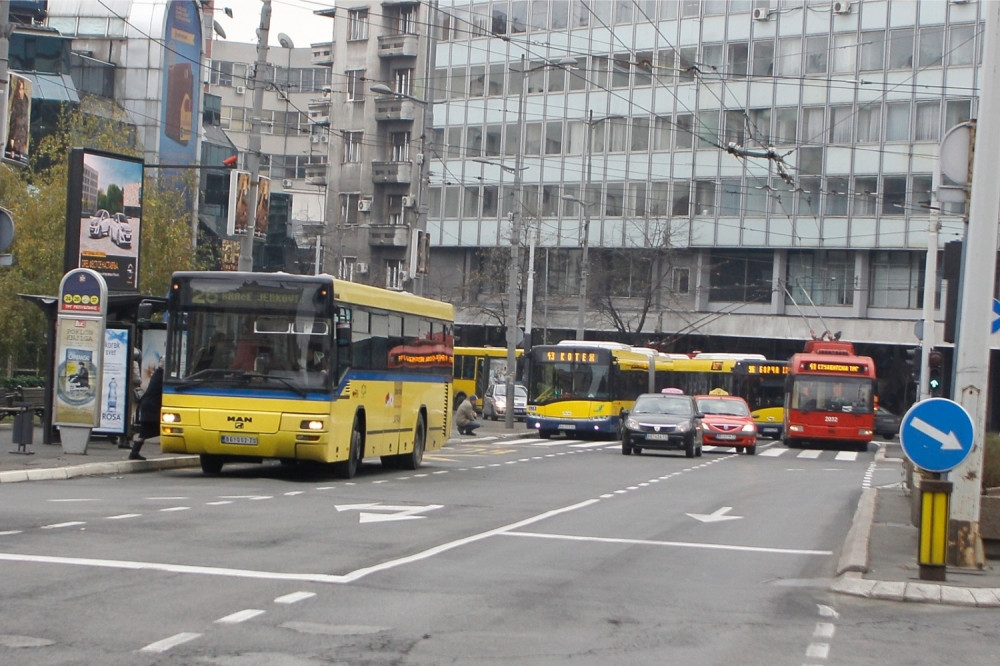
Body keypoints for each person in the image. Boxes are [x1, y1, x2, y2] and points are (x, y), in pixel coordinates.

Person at [130, 363, 163, 461]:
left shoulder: (157, 374)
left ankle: (134, 452)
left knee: (145, 432)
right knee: (151, 430)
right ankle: (134, 452)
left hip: (149, 406)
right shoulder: (161, 375)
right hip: (151, 408)